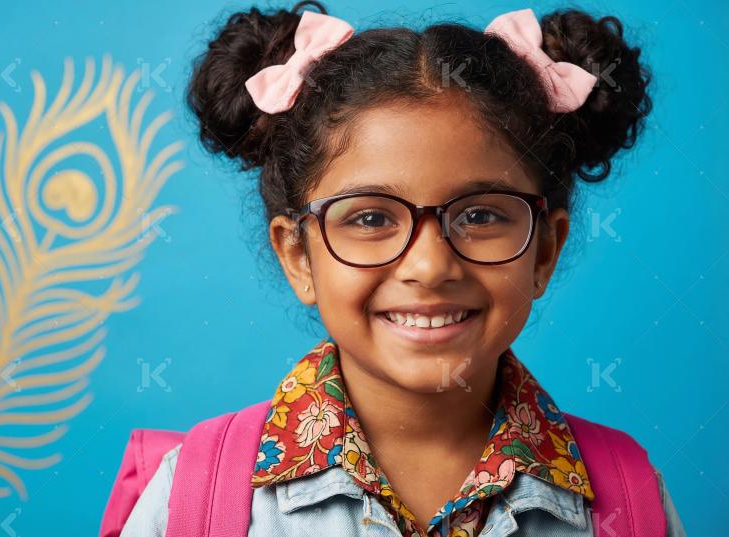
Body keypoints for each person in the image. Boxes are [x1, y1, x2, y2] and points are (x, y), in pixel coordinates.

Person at [108, 1, 687, 535]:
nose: (430, 266)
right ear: (297, 255)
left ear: (544, 251)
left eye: (480, 215)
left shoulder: (630, 501)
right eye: (369, 218)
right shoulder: (190, 498)